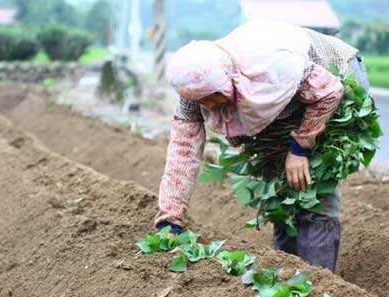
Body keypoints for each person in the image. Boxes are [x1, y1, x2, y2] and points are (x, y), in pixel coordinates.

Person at [155, 21, 371, 272]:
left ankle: (318, 280)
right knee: (280, 188)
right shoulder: (195, 90)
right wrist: (170, 219)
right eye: (203, 102)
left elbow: (329, 92)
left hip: (334, 77)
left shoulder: (270, 66)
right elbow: (182, 150)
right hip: (288, 102)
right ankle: (288, 272)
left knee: (313, 185)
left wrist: (300, 148)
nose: (211, 106)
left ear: (225, 78)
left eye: (214, 97)